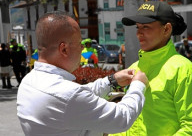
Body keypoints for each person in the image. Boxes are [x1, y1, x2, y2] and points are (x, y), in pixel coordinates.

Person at [17, 11, 149, 136]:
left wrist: (112, 81)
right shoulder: (67, 95)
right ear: (64, 49)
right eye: (79, 43)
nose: (82, 48)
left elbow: (80, 94)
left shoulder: (29, 81)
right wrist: (138, 85)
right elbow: (122, 118)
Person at [110, 1, 192, 136]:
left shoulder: (183, 70)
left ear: (166, 29)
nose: (139, 34)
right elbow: (129, 121)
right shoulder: (134, 68)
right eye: (138, 27)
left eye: (146, 27)